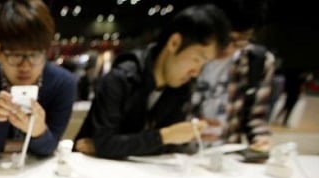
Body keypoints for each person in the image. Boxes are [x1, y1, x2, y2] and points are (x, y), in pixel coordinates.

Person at [74, 4, 230, 160]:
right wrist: (165, 136)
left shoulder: (181, 88)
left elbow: (168, 148)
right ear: (174, 43)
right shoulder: (121, 78)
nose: (196, 72)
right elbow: (106, 143)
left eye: (204, 65)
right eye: (197, 60)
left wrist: (183, 134)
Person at [0, 0, 76, 160]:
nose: (25, 66)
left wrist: (39, 132)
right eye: (15, 55)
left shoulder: (63, 84)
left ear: (46, 52)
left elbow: (49, 148)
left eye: (34, 55)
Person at [190, 0, 275, 153]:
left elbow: (256, 117)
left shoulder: (257, 61)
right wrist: (190, 127)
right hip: (179, 155)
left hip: (225, 156)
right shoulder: (189, 53)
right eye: (224, 38)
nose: (228, 48)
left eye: (240, 41)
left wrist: (261, 140)